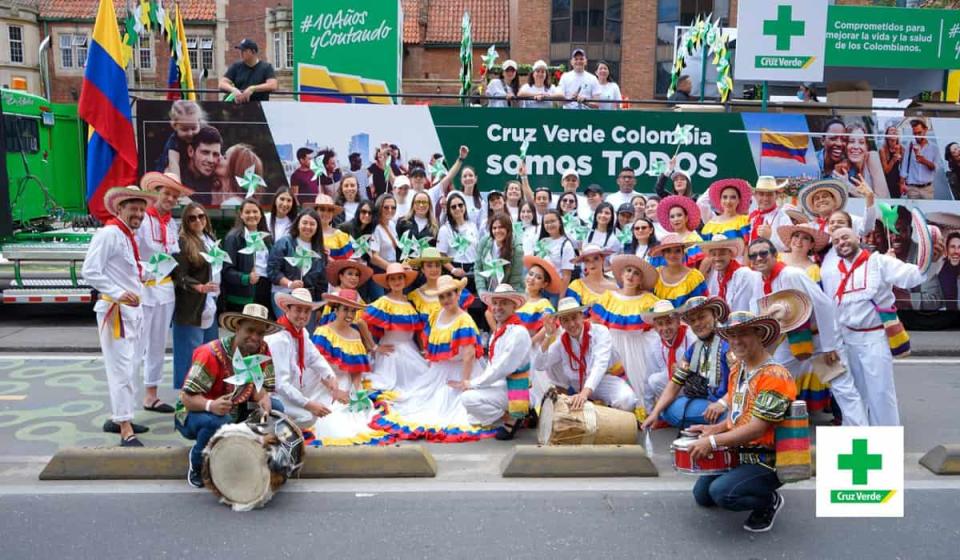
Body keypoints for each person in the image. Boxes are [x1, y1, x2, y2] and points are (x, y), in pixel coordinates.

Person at [686, 311, 796, 533]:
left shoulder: (775, 375)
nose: (736, 341)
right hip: (737, 452)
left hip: (768, 459)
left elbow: (757, 428)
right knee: (703, 496)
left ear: (759, 335)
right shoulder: (738, 369)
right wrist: (714, 429)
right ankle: (743, 483)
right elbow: (737, 414)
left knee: (723, 493)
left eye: (743, 333)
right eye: (732, 335)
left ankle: (769, 501)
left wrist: (713, 442)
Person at [823, 227, 944, 425]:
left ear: (858, 238)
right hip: (846, 339)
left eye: (845, 237)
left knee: (880, 393)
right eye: (836, 241)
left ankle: (884, 445)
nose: (841, 242)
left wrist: (933, 259)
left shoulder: (879, 262)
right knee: (852, 395)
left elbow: (913, 276)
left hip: (875, 338)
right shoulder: (834, 271)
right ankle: (858, 443)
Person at [747, 238, 868, 427]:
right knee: (775, 377)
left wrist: (829, 346)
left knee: (841, 386)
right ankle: (768, 430)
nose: (758, 258)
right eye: (753, 255)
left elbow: (825, 305)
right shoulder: (758, 280)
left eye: (763, 253)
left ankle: (860, 436)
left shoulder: (791, 274)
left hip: (819, 338)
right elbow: (758, 311)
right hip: (791, 339)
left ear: (774, 255)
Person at [175, 303, 284, 487]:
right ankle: (198, 462)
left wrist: (263, 398)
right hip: (194, 414)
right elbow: (186, 398)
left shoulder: (262, 350)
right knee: (218, 421)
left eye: (260, 333)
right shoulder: (210, 354)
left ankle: (245, 455)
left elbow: (260, 388)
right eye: (250, 330)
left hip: (234, 409)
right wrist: (211, 405)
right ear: (237, 327)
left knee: (277, 409)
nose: (255, 337)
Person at [83, 186, 160, 445]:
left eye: (141, 209)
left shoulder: (127, 236)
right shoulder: (109, 234)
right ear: (119, 208)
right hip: (115, 312)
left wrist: (150, 271)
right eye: (133, 209)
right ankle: (125, 428)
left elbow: (129, 269)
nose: (138, 213)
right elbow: (90, 271)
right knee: (121, 370)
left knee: (131, 366)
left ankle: (122, 416)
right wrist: (118, 293)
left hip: (132, 313)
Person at [377, 276, 493, 441]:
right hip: (440, 370)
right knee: (419, 403)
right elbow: (431, 343)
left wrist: (465, 382)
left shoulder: (464, 320)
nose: (446, 300)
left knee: (449, 410)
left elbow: (469, 354)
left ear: (457, 294)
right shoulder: (437, 314)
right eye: (442, 296)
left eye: (449, 295)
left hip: (461, 371)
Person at [136, 172, 193, 414]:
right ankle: (126, 398)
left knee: (158, 344)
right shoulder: (141, 220)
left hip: (165, 291)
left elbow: (173, 254)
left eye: (174, 195)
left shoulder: (171, 223)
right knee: (137, 345)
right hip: (142, 291)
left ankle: (151, 395)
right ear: (155, 192)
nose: (170, 198)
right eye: (166, 192)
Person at [309, 289, 391, 446]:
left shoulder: (355, 334)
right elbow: (317, 370)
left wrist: (357, 391)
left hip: (347, 382)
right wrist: (336, 391)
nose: (349, 315)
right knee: (335, 420)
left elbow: (356, 369)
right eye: (345, 309)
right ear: (336, 309)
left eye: (353, 311)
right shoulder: (323, 333)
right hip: (325, 384)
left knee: (361, 414)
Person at [642, 296, 731, 429]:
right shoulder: (694, 349)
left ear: (715, 315)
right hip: (708, 402)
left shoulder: (730, 343)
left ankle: (725, 424)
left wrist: (723, 403)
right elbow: (676, 382)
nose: (697, 324)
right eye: (693, 320)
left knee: (735, 415)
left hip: (732, 403)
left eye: (702, 317)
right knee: (667, 410)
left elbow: (744, 383)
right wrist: (655, 413)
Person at [534, 298, 638, 412]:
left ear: (582, 316)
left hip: (602, 381)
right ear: (561, 324)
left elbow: (600, 365)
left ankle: (603, 410)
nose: (572, 324)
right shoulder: (561, 341)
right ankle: (567, 396)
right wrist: (548, 335)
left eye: (574, 318)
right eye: (566, 320)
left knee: (628, 400)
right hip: (577, 386)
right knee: (552, 364)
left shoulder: (600, 332)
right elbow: (540, 365)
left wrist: (584, 394)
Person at [459, 284, 533, 440]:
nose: (498, 307)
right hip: (502, 385)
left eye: (504, 303)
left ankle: (514, 417)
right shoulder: (500, 331)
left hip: (515, 388)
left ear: (514, 306)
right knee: (471, 413)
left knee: (468, 400)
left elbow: (501, 368)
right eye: (496, 303)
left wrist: (474, 383)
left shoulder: (518, 332)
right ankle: (522, 414)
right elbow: (494, 367)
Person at [591, 254, 660, 416]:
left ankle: (642, 412)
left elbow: (658, 326)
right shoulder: (608, 297)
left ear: (640, 280)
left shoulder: (648, 300)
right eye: (628, 271)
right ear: (621, 274)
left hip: (637, 348)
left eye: (636, 273)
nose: (631, 275)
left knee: (639, 380)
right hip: (612, 346)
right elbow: (595, 324)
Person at [267, 289, 337, 429]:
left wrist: (330, 377)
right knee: (308, 417)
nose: (303, 316)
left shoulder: (302, 332)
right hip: (273, 395)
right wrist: (308, 404)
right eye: (298, 310)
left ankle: (292, 414)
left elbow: (314, 357)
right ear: (287, 309)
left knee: (324, 374)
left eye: (307, 311)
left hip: (292, 387)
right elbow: (280, 385)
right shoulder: (279, 338)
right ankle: (273, 432)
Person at [172, 202, 221, 390]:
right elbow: (179, 275)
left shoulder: (209, 238)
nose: (197, 220)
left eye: (201, 216)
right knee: (189, 356)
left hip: (210, 303)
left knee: (209, 354)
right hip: (191, 306)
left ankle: (203, 392)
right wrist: (198, 287)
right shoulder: (183, 241)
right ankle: (185, 399)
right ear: (185, 221)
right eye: (192, 218)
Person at [363, 263, 426, 394]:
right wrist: (373, 347)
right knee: (391, 385)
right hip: (390, 352)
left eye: (400, 278)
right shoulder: (384, 302)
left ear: (405, 280)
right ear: (387, 282)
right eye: (392, 278)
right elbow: (361, 320)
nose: (397, 282)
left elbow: (417, 331)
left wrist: (422, 350)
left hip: (410, 350)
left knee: (421, 383)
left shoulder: (409, 304)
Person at [638, 300, 698, 412]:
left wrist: (685, 369)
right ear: (655, 327)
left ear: (678, 322)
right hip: (672, 388)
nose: (665, 328)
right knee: (653, 380)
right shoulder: (654, 346)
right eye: (660, 324)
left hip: (694, 386)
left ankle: (686, 408)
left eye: (669, 322)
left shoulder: (692, 339)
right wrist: (649, 411)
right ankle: (673, 408)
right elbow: (648, 379)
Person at [267, 208, 328, 317]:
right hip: (284, 294)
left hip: (308, 299)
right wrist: (290, 284)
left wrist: (320, 309)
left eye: (312, 224)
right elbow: (272, 271)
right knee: (288, 329)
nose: (308, 227)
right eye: (304, 223)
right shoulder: (284, 243)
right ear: (298, 224)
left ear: (317, 227)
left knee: (306, 333)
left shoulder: (319, 251)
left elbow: (321, 282)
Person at [222, 199, 273, 312]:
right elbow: (227, 270)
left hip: (264, 291)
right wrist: (246, 278)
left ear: (261, 214)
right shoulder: (233, 238)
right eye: (247, 212)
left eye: (255, 211)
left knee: (261, 328)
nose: (252, 215)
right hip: (243, 295)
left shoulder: (266, 237)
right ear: (241, 215)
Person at [408, 247, 476, 328]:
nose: (434, 269)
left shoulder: (454, 287)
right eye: (429, 266)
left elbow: (465, 321)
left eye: (437, 265)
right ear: (422, 269)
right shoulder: (416, 297)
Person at [699, 235, 761, 313]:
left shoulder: (744, 275)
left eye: (722, 254)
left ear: (731, 255)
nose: (717, 258)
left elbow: (741, 309)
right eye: (714, 254)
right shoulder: (716, 275)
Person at [798, 179, 875, 237]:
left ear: (835, 201)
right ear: (813, 207)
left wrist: (869, 199)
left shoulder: (849, 219)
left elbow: (866, 228)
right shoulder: (810, 227)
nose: (821, 200)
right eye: (817, 199)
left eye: (825, 196)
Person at [475, 212, 525, 299]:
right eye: (494, 228)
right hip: (487, 292)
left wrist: (505, 296)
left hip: (508, 294)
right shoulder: (484, 242)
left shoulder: (517, 249)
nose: (497, 231)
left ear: (508, 229)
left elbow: (515, 279)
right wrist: (482, 290)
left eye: (501, 227)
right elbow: (478, 268)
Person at [834, 123, 890, 199]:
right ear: (845, 145)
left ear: (866, 146)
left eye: (861, 142)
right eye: (851, 141)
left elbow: (882, 199)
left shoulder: (872, 157)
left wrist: (849, 187)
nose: (856, 147)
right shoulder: (845, 165)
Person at [650, 233, 707, 308]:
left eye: (677, 251)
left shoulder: (695, 277)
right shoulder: (655, 274)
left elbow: (702, 305)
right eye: (668, 251)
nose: (672, 255)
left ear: (683, 253)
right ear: (663, 254)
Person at [219, 38, 277, 103]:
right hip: (238, 107)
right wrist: (233, 90)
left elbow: (272, 85)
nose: (241, 53)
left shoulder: (266, 67)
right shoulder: (236, 66)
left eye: (244, 50)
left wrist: (252, 89)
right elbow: (222, 83)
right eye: (240, 50)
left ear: (253, 52)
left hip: (259, 107)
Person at [156, 100, 206, 176]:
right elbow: (174, 164)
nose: (190, 133)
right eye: (184, 129)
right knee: (168, 172)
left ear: (199, 122)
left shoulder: (204, 134)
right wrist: (177, 184)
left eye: (193, 128)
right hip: (172, 170)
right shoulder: (173, 141)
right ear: (174, 126)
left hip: (192, 171)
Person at [747, 176, 792, 251]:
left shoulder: (783, 218)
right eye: (761, 194)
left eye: (770, 194)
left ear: (776, 196)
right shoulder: (752, 217)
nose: (765, 198)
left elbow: (789, 246)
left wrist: (770, 237)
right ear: (755, 195)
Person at [657, 195, 704, 267]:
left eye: (679, 215)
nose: (676, 219)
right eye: (672, 217)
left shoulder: (695, 238)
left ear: (686, 218)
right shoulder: (667, 239)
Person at [180, 126, 222, 206]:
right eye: (205, 152)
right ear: (191, 151)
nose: (211, 160)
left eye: (215, 154)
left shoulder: (218, 182)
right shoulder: (176, 176)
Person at [538, 210, 576, 298]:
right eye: (546, 222)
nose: (549, 225)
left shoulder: (566, 245)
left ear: (560, 223)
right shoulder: (542, 242)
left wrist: (561, 297)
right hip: (541, 288)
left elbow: (567, 275)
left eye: (552, 221)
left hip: (556, 291)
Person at [701, 179, 752, 243]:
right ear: (720, 200)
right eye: (725, 197)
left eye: (733, 197)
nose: (728, 201)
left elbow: (750, 246)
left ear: (739, 200)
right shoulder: (709, 226)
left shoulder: (745, 221)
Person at [212, 143, 262, 207]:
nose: (219, 157)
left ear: (235, 169)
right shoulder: (215, 193)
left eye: (225, 157)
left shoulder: (233, 204)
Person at [899, 118, 938, 199]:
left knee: (928, 211)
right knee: (912, 211)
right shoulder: (910, 146)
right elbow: (904, 166)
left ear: (925, 130)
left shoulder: (934, 147)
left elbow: (936, 168)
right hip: (912, 189)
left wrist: (924, 161)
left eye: (919, 133)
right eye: (915, 133)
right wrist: (901, 184)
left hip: (927, 189)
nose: (917, 136)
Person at [880, 124, 904, 199]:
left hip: (897, 182)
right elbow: (886, 171)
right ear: (887, 136)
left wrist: (902, 183)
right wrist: (894, 159)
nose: (894, 131)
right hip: (886, 182)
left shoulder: (902, 149)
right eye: (891, 130)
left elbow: (904, 169)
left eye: (895, 131)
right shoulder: (883, 150)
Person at [940, 232, 960, 310]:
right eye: (952, 247)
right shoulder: (939, 270)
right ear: (947, 249)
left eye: (959, 247)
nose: (956, 251)